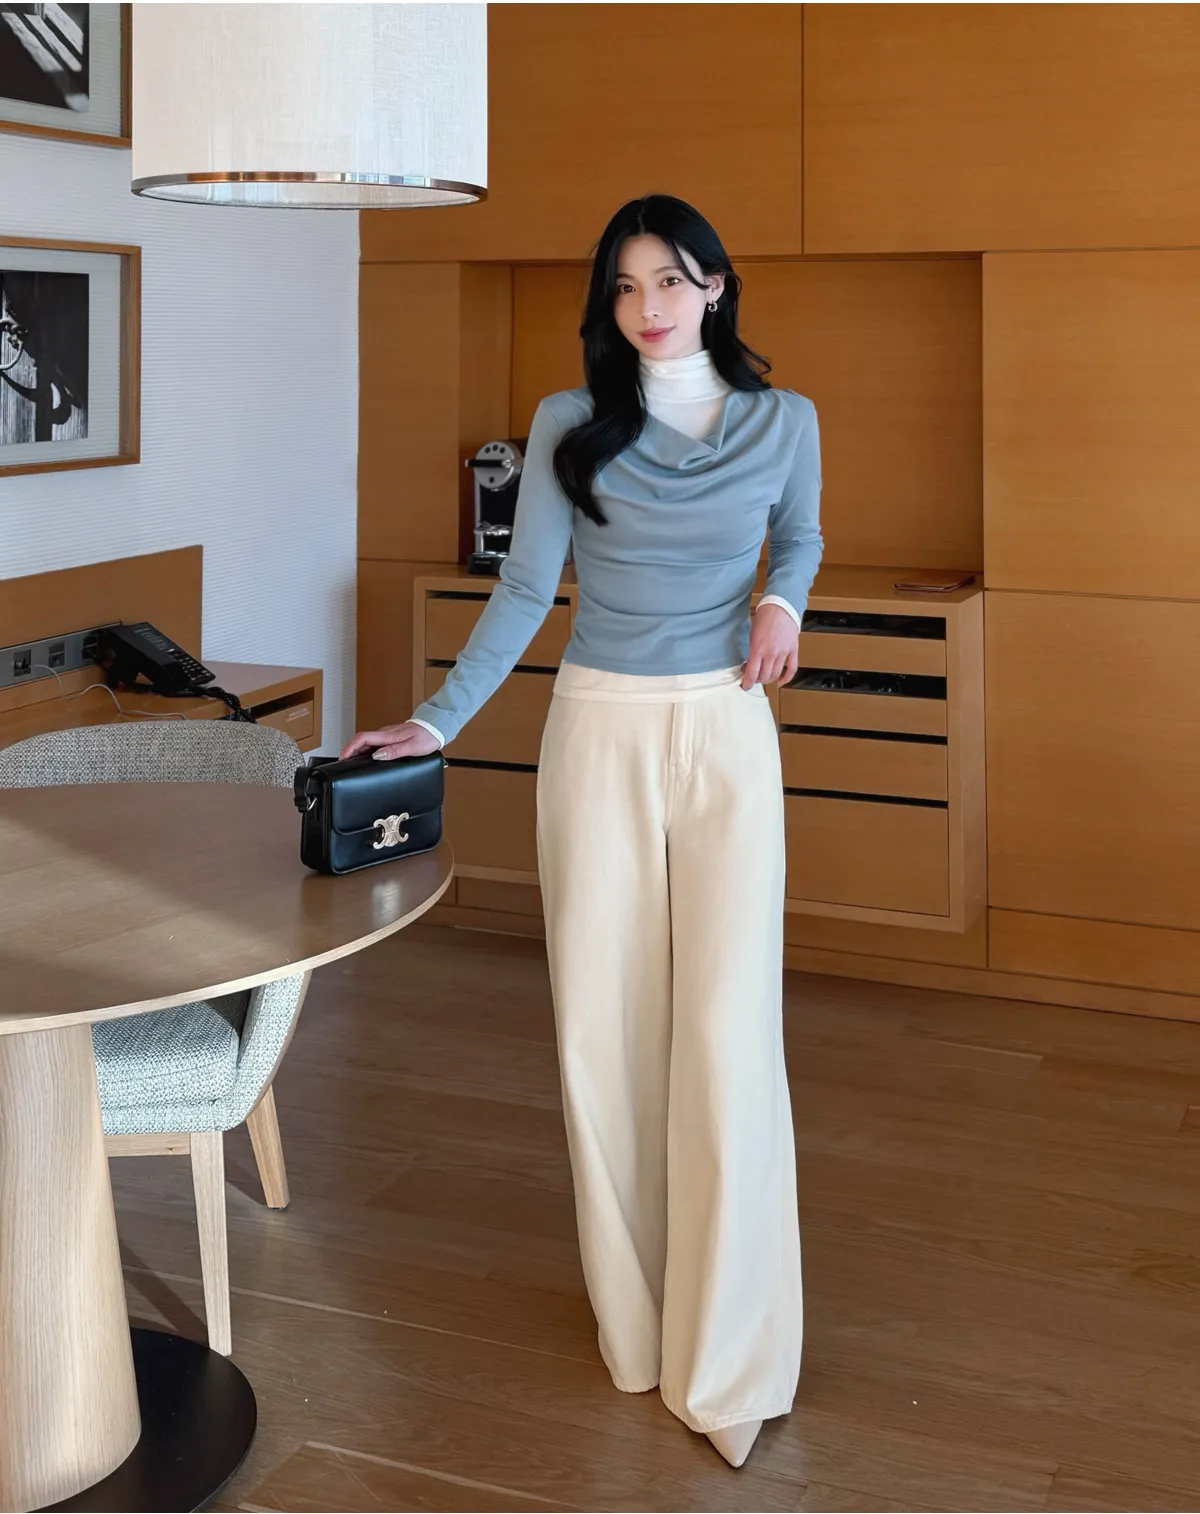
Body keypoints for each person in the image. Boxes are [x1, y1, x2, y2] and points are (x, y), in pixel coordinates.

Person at [341, 192, 823, 1469]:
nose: (647, 305)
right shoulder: (571, 423)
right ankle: (638, 1323)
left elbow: (803, 531)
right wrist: (435, 721)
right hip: (599, 728)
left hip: (727, 732)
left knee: (727, 1029)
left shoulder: (785, 420)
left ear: (715, 283)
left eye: (669, 279)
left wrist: (781, 601)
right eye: (624, 285)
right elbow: (523, 590)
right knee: (601, 1031)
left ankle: (732, 1350)